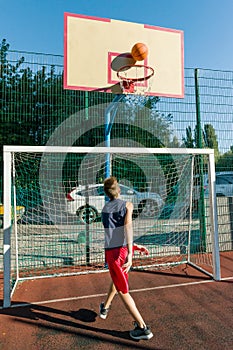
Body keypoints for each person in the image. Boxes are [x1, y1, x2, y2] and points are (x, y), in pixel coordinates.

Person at [100, 176, 153, 340]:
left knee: (122, 290)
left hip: (113, 253)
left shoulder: (104, 210)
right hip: (120, 251)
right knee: (118, 282)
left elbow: (115, 235)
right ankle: (105, 307)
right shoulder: (127, 205)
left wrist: (132, 250)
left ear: (107, 193)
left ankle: (143, 328)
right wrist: (131, 251)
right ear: (119, 190)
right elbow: (127, 229)